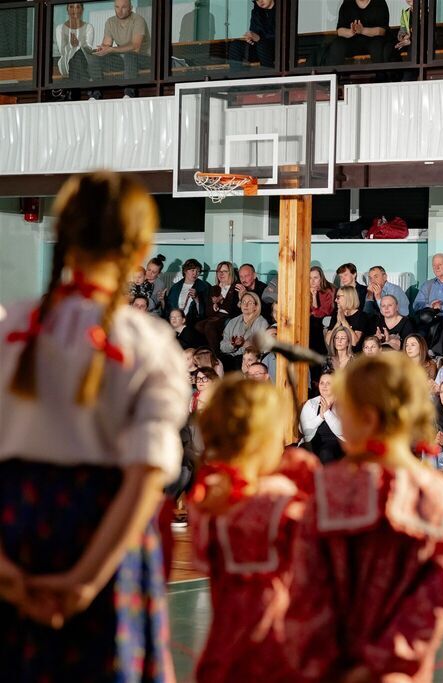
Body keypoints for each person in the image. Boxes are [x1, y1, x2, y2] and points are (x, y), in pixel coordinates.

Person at [0, 172, 189, 679]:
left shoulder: (9, 326)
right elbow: (146, 477)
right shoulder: (148, 343)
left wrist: (5, 569)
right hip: (107, 539)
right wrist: (87, 579)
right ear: (140, 248)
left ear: (62, 233)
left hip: (14, 529)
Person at [302, 351, 443, 680]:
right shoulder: (442, 496)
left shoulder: (324, 490)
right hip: (399, 672)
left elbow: (305, 596)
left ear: (363, 415)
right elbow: (430, 607)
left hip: (332, 667)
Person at [187, 375, 327, 682]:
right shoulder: (281, 495)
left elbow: (203, 555)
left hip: (225, 647)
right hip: (279, 648)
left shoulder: (206, 494)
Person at [86, 0, 151, 88]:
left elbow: (136, 47)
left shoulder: (138, 20)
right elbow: (106, 45)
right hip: (123, 62)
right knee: (94, 58)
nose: (120, 11)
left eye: (124, 7)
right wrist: (101, 50)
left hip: (144, 60)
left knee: (129, 55)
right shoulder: (110, 22)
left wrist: (112, 49)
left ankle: (129, 92)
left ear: (130, 8)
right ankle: (97, 91)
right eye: (117, 7)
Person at [322, 0, 393, 65]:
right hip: (352, 42)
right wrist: (351, 32)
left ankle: (381, 74)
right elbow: (340, 31)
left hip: (373, 41)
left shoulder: (379, 3)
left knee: (377, 45)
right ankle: (334, 73)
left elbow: (381, 31)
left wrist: (362, 30)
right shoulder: (347, 3)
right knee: (338, 44)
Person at [299, 372, 344, 464]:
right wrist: (320, 417)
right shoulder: (311, 403)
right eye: (322, 383)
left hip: (337, 442)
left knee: (325, 453)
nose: (324, 386)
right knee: (300, 453)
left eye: (328, 383)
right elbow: (303, 430)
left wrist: (327, 413)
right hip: (313, 441)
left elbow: (342, 430)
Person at [196, 261, 240, 350]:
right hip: (215, 316)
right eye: (219, 271)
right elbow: (208, 311)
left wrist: (221, 300)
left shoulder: (235, 287)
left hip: (229, 317)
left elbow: (234, 309)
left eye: (225, 271)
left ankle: (215, 354)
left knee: (209, 326)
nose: (221, 274)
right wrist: (214, 307)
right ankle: (205, 351)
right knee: (198, 326)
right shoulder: (214, 288)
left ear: (231, 273)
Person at [220, 291, 270, 368]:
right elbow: (222, 347)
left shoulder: (262, 323)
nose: (246, 305)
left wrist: (244, 344)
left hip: (248, 359)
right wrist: (233, 345)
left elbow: (262, 349)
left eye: (250, 303)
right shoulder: (232, 322)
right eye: (243, 302)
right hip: (229, 356)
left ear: (256, 306)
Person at [229, 0, 276, 68]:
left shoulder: (282, 10)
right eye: (257, 0)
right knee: (236, 45)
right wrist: (250, 38)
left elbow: (281, 36)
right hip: (259, 49)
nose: (260, 1)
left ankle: (268, 73)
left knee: (262, 45)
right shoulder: (256, 11)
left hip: (277, 49)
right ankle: (236, 74)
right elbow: (254, 31)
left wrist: (259, 39)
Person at [166, 258, 210, 327]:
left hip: (191, 321)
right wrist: (162, 300)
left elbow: (204, 312)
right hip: (175, 320)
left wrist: (197, 299)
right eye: (192, 270)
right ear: (185, 271)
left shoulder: (203, 287)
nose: (195, 273)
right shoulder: (175, 287)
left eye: (198, 271)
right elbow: (168, 307)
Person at [325, 285, 371, 350]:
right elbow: (328, 341)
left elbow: (354, 342)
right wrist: (338, 323)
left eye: (338, 297)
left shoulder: (361, 316)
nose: (335, 300)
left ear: (348, 298)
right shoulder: (336, 314)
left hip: (356, 354)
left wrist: (344, 321)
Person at [56, 3, 94, 81]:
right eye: (71, 7)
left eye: (78, 7)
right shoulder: (60, 28)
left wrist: (78, 45)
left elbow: (88, 49)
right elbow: (62, 51)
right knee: (76, 58)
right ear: (67, 9)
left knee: (78, 55)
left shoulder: (88, 27)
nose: (75, 10)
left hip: (85, 61)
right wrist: (71, 45)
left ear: (82, 10)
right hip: (67, 61)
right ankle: (87, 82)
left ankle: (80, 82)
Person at [309, 265, 336, 357]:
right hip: (314, 318)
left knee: (314, 322)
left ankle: (320, 354)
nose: (312, 281)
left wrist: (314, 296)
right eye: (310, 278)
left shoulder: (329, 290)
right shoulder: (307, 289)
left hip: (326, 317)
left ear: (321, 278)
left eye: (315, 278)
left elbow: (322, 313)